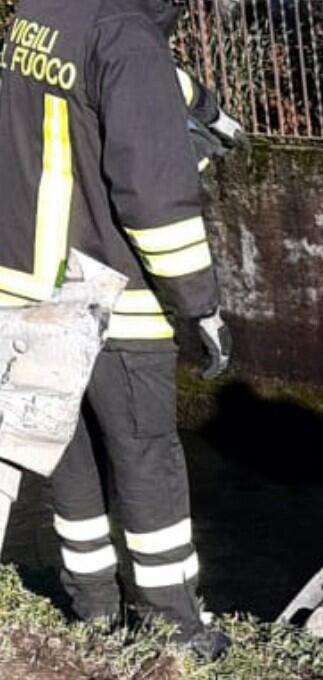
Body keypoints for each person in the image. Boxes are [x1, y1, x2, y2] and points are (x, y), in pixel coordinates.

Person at [0, 0, 233, 660]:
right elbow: (155, 202)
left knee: (68, 466)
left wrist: (202, 105)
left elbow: (91, 77)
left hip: (23, 288)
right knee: (145, 458)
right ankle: (172, 629)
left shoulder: (39, 15)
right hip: (108, 297)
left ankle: (95, 609)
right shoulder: (127, 37)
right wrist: (200, 308)